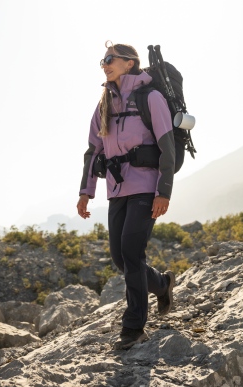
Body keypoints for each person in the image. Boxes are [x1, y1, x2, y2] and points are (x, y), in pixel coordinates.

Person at [77, 41, 176, 350]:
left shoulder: (152, 98)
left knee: (132, 252)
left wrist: (164, 191)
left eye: (110, 59)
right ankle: (162, 284)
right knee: (120, 258)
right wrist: (86, 191)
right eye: (102, 60)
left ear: (129, 63)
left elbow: (167, 147)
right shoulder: (104, 104)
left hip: (147, 187)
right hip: (117, 189)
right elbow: (94, 150)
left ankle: (133, 327)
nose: (104, 64)